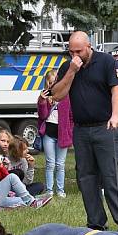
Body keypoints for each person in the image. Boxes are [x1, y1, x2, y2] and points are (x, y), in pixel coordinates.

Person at [50, 31, 118, 234]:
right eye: (71, 52)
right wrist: (71, 71)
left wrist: (115, 115)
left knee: (113, 176)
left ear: (89, 46)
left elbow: (117, 89)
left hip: (106, 126)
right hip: (81, 130)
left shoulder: (106, 62)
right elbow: (57, 95)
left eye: (79, 51)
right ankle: (96, 224)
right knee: (86, 178)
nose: (75, 55)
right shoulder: (68, 66)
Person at [0, 141, 50, 209]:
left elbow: (6, 179)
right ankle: (32, 202)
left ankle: (33, 200)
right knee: (12, 177)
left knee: (21, 200)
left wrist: (1, 167)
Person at [38, 69, 74, 198]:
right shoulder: (44, 96)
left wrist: (70, 131)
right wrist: (43, 101)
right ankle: (49, 190)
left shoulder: (66, 97)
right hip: (49, 133)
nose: (52, 85)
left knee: (60, 164)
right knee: (50, 163)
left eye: (55, 82)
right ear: (46, 83)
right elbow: (42, 116)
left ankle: (60, 190)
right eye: (50, 82)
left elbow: (71, 117)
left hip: (62, 134)